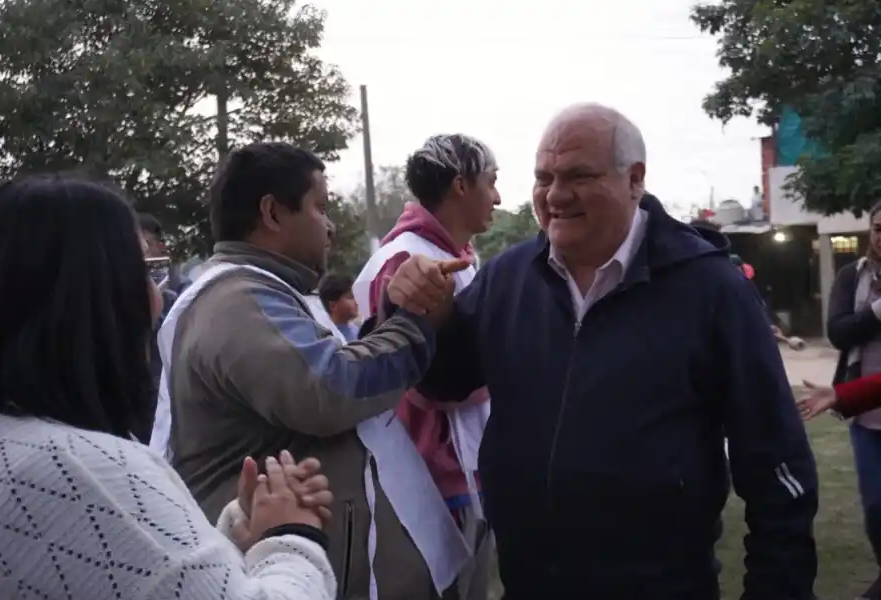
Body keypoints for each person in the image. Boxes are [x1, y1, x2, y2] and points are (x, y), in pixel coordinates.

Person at [384, 103, 818, 599]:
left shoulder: (709, 287)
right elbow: (442, 380)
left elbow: (776, 462)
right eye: (543, 177)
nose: (555, 195)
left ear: (635, 179)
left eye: (578, 176)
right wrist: (421, 312)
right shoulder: (508, 278)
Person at [0, 174, 337, 600]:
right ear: (98, 295)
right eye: (146, 273)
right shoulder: (80, 469)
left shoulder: (4, 442)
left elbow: (130, 569)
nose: (157, 300)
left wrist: (233, 535)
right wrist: (289, 534)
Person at [150, 142, 468, 600]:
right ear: (273, 214)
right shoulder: (236, 299)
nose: (331, 227)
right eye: (320, 208)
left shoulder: (271, 290)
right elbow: (332, 387)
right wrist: (418, 322)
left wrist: (394, 314)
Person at [352, 134, 500, 600]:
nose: (498, 197)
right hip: (431, 474)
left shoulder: (451, 255)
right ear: (460, 185)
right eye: (491, 182)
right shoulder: (405, 260)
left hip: (463, 466)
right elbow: (413, 373)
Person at [820, 200, 881, 600]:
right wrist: (877, 311)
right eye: (878, 227)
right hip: (868, 413)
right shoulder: (852, 276)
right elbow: (839, 332)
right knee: (876, 508)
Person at [317, 272, 360, 341]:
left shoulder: (358, 332)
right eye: (351, 297)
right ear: (333, 306)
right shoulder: (326, 338)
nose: (356, 301)